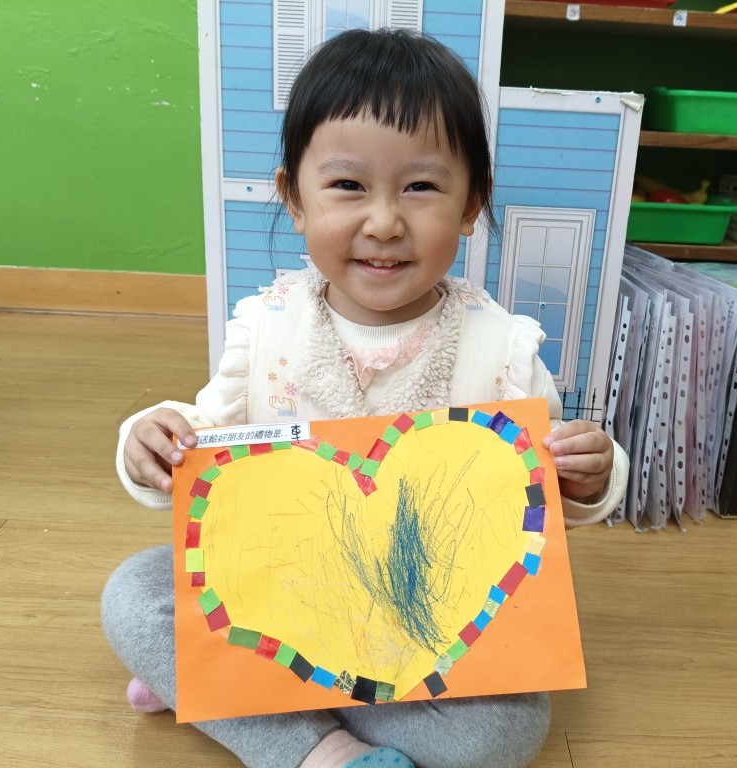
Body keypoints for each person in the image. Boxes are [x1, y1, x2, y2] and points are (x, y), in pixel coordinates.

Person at [102, 27, 629, 768]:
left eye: (421, 187)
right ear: (294, 198)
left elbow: (547, 494)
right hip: (280, 592)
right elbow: (203, 444)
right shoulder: (265, 327)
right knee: (132, 594)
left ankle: (234, 689)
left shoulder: (503, 350)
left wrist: (590, 475)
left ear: (472, 203)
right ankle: (318, 749)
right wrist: (153, 440)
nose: (384, 222)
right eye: (348, 186)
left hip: (419, 618)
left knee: (502, 731)